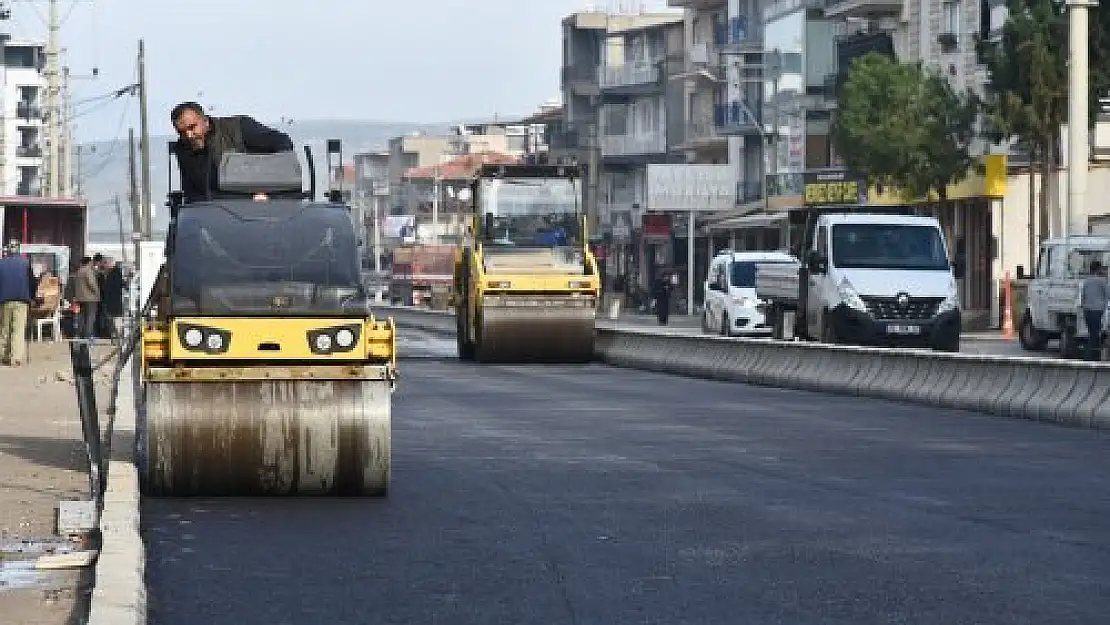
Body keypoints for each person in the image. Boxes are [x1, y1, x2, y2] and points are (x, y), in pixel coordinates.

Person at [170, 101, 294, 202]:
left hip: (258, 202)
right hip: (215, 211)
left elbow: (283, 143)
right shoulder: (183, 150)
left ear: (205, 121)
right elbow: (193, 193)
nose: (189, 135)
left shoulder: (239, 128)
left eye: (192, 127)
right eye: (182, 132)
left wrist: (265, 188)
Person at [0, 241, 35, 366]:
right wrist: (32, 297)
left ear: (8, 250)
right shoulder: (25, 263)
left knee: (4, 329)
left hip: (4, 301)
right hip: (21, 300)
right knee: (18, 329)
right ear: (18, 249)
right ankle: (15, 358)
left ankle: (3, 355)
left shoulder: (1, 263)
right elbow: (32, 282)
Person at [1080, 259, 1109, 360]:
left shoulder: (1086, 281)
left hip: (1087, 310)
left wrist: (1084, 306)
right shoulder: (1102, 281)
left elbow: (1082, 296)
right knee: (1095, 333)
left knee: (1091, 332)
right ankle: (1091, 356)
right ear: (1098, 269)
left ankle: (1091, 355)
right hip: (1097, 310)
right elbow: (1107, 294)